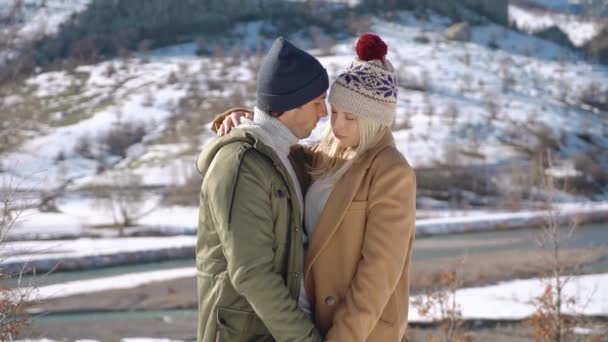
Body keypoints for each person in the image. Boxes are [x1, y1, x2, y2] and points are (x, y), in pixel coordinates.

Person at [216, 33, 417, 341]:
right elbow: (274, 144)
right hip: (314, 320)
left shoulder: (392, 171)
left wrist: (344, 336)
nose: (336, 125)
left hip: (361, 330)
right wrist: (246, 118)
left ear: (375, 121)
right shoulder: (326, 151)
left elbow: (379, 272)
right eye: (334, 111)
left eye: (350, 117)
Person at [195, 36, 328, 342]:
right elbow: (252, 275)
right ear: (292, 103)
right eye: (318, 101)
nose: (324, 112)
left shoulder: (290, 156)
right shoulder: (240, 166)